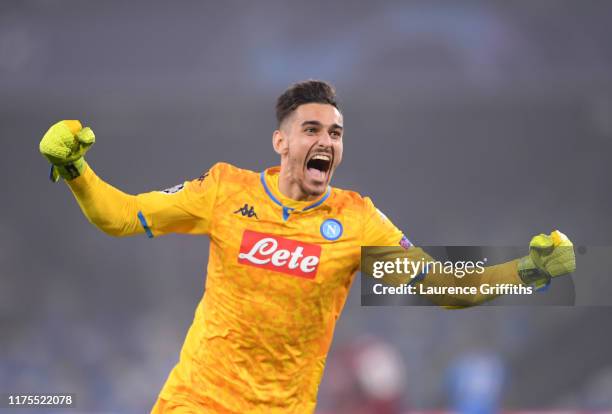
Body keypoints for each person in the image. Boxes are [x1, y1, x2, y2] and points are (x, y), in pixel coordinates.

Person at [39, 80, 575, 413]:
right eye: (312, 128)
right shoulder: (226, 190)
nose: (327, 141)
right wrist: (75, 169)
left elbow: (446, 288)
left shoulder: (357, 219)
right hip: (197, 402)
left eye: (336, 133)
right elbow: (121, 216)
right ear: (282, 141)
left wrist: (527, 271)